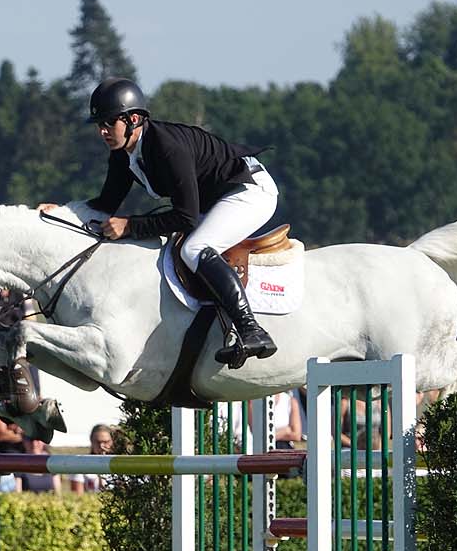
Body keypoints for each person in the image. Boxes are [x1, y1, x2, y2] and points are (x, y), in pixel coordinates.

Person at [37, 77, 279, 367]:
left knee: (193, 249)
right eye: (100, 124)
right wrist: (61, 213)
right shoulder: (123, 153)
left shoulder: (167, 149)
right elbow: (105, 204)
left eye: (108, 123)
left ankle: (251, 330)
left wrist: (131, 226)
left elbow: (185, 217)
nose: (102, 131)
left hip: (249, 190)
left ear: (134, 119)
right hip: (215, 198)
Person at [69, 424, 115, 494]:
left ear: (112, 441)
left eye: (106, 442)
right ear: (91, 441)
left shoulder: (121, 465)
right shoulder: (79, 465)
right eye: (98, 442)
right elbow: (77, 497)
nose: (101, 446)